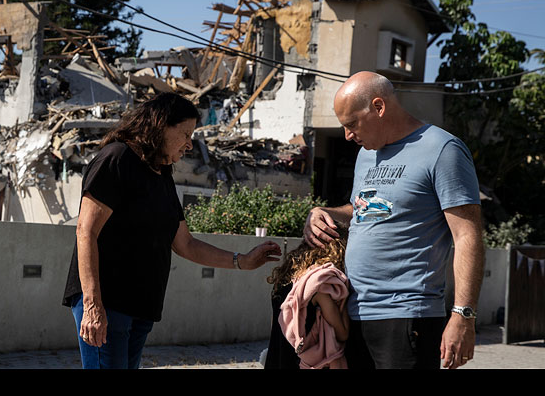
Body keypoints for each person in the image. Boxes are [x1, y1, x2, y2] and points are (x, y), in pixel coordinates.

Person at [61, 92, 282, 369]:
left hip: (141, 308)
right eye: (186, 134)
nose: (190, 145)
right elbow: (85, 231)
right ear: (161, 125)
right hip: (108, 304)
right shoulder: (116, 159)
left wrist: (243, 261)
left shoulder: (161, 174)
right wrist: (93, 304)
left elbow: (185, 244)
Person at [303, 71, 484, 370]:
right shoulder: (366, 155)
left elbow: (468, 236)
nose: (347, 135)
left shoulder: (442, 150)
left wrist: (463, 316)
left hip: (407, 316)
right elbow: (363, 208)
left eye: (351, 124)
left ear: (378, 107)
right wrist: (324, 213)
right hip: (354, 313)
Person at [264, 223, 350, 369]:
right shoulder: (319, 285)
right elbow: (343, 333)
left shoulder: (284, 280)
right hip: (299, 363)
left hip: (277, 358)